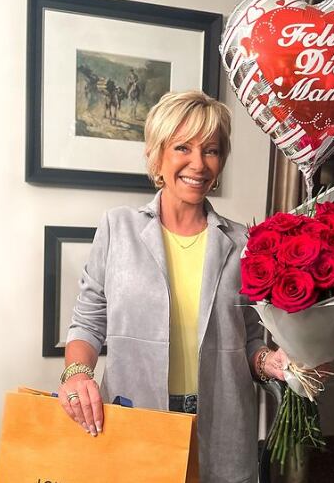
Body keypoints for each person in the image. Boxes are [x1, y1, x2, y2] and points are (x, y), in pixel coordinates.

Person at [58, 90, 288, 482]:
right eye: (183, 147)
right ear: (157, 154)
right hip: (135, 418)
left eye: (211, 150)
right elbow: (88, 323)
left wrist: (270, 362)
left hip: (224, 422)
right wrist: (77, 374)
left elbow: (250, 338)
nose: (198, 163)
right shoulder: (117, 228)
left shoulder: (243, 242)